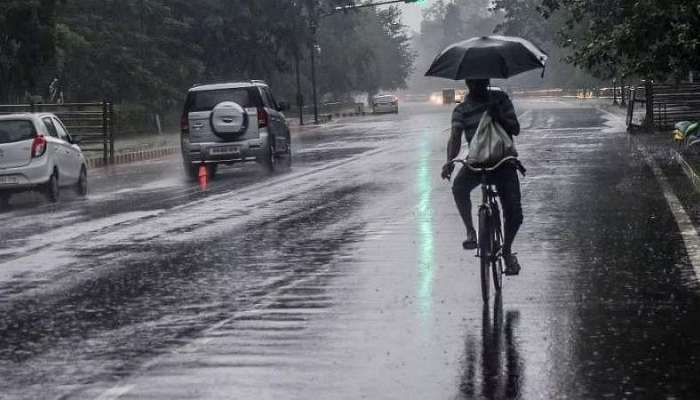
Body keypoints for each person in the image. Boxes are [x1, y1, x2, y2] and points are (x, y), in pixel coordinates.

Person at [441, 79, 523, 275]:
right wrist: (449, 162)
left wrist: (499, 116)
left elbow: (515, 128)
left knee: (514, 212)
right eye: (473, 81)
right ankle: (471, 231)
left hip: (503, 162)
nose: (477, 84)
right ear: (468, 83)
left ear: (486, 80)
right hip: (477, 163)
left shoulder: (500, 99)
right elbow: (455, 138)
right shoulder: (461, 110)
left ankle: (507, 250)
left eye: (481, 80)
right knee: (459, 187)